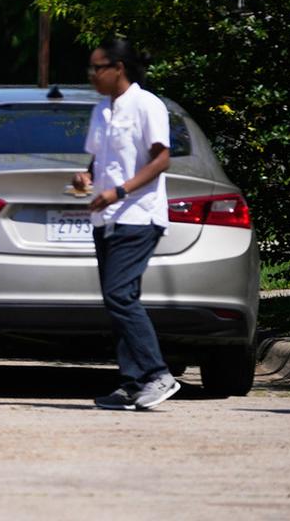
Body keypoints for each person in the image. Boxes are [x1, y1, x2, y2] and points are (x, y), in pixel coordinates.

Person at [72, 38, 177, 411]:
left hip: (139, 214)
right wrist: (85, 179)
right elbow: (97, 161)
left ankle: (157, 374)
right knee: (120, 300)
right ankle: (132, 383)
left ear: (119, 68)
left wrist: (119, 191)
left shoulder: (147, 105)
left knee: (119, 295)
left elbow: (161, 159)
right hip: (106, 217)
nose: (92, 75)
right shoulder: (102, 109)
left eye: (98, 68)